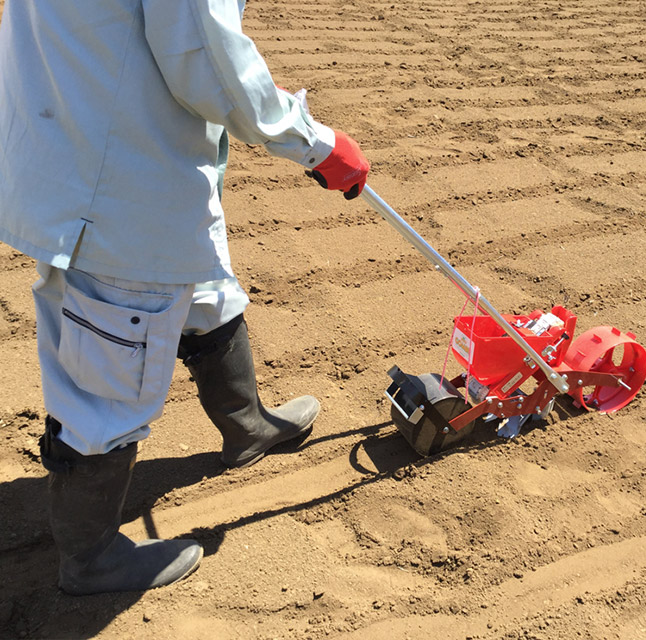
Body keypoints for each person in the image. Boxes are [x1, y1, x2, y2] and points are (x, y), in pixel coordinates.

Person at [0, 0, 370, 596]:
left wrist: (237, 75)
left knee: (206, 287)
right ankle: (90, 559)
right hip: (121, 180)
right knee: (107, 376)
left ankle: (247, 426)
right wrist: (313, 140)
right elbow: (201, 57)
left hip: (74, 137)